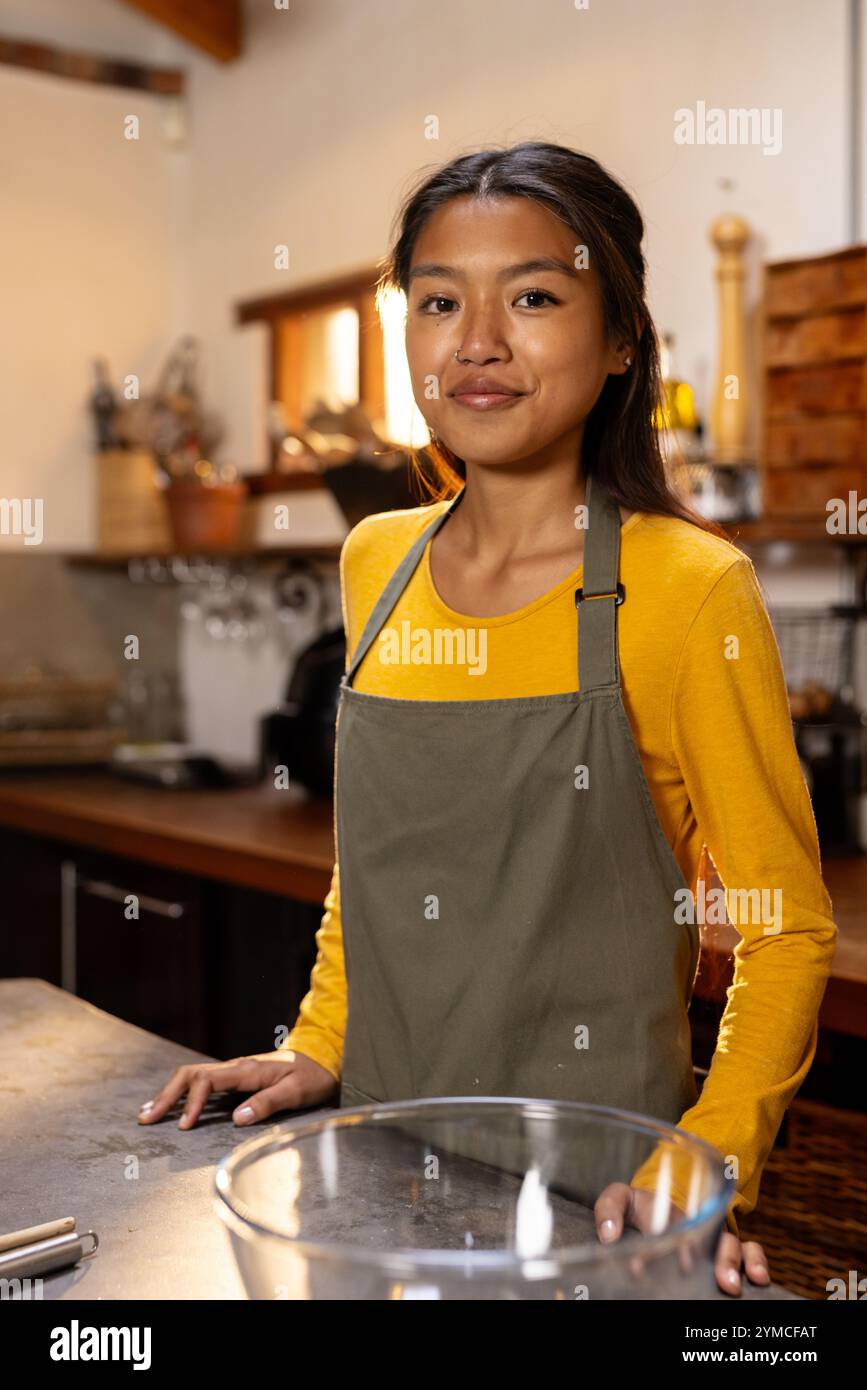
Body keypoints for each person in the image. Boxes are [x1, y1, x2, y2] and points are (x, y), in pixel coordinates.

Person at [139, 141, 837, 1297]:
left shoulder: (688, 590)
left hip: (594, 1202)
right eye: (437, 302)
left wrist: (707, 1156)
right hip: (374, 1173)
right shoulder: (377, 565)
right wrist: (319, 1041)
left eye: (533, 298)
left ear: (619, 341)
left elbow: (786, 926)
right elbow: (375, 874)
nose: (478, 342)